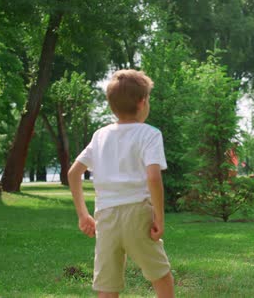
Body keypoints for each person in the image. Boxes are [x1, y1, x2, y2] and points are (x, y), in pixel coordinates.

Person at [68, 69, 174, 298]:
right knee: (160, 274)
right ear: (142, 101)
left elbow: (74, 172)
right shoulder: (149, 134)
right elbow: (153, 177)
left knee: (107, 284)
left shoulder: (100, 136)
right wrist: (159, 217)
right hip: (137, 214)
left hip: (105, 217)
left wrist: (83, 215)